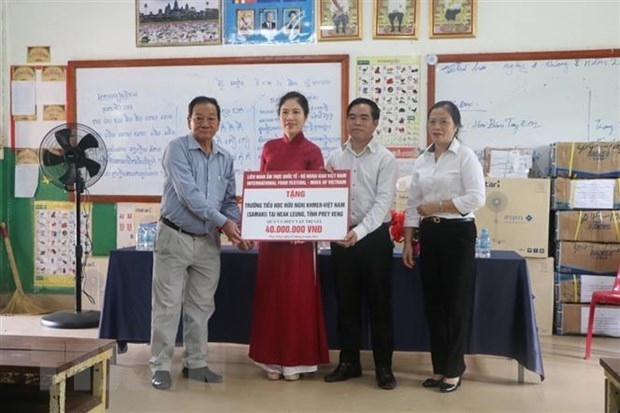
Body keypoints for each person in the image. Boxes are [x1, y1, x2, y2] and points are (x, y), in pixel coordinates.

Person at [150, 96, 252, 390]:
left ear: (219, 122)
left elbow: (230, 201)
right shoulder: (176, 149)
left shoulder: (225, 157)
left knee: (201, 306)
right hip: (174, 236)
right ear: (189, 121)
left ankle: (195, 364)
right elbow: (189, 196)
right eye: (199, 117)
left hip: (208, 241)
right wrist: (225, 223)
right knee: (167, 306)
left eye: (211, 118)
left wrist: (237, 228)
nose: (205, 123)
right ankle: (159, 366)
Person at [401, 100, 485, 393]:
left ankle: (454, 369)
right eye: (432, 121)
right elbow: (412, 204)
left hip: (458, 234)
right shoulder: (422, 160)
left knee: (455, 303)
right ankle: (440, 369)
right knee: (434, 303)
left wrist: (438, 205)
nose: (436, 127)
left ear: (456, 126)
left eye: (444, 122)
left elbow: (476, 198)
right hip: (430, 234)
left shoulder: (465, 157)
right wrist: (409, 241)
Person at [248, 91, 329, 381]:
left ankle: (295, 362)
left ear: (305, 116)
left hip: (300, 242)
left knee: (297, 297)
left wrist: (304, 228)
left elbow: (316, 197)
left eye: (295, 112)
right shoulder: (269, 147)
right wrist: (256, 229)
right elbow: (258, 191)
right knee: (271, 296)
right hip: (272, 240)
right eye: (285, 112)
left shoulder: (313, 151)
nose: (290, 117)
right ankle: (270, 360)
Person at [323, 98, 398, 390]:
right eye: (352, 117)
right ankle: (349, 362)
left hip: (374, 238)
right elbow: (327, 198)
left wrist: (361, 231)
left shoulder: (385, 159)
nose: (357, 122)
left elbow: (383, 203)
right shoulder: (334, 158)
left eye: (364, 118)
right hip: (342, 238)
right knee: (346, 304)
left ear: (375, 124)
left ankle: (383, 367)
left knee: (380, 305)